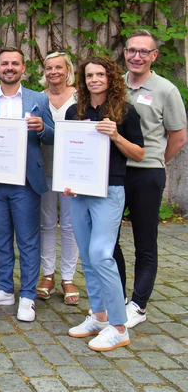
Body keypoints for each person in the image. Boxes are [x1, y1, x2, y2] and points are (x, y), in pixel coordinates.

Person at [0, 47, 54, 323]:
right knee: (0, 238)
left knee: (28, 240)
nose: (9, 67)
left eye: (15, 63)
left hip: (25, 181)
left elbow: (53, 136)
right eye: (5, 63)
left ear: (23, 68)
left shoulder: (38, 99)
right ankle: (4, 289)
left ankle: (28, 295)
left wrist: (42, 128)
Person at [64, 56, 144, 351]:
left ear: (110, 78)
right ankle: (99, 316)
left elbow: (139, 153)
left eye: (100, 74)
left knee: (101, 254)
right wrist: (67, 181)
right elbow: (68, 151)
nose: (94, 80)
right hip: (79, 192)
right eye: (89, 75)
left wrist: (116, 136)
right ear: (83, 80)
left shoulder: (126, 111)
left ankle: (119, 327)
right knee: (87, 255)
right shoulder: (75, 111)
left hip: (110, 189)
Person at [114, 29, 188, 328]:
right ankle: (117, 296)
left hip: (146, 175)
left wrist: (157, 162)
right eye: (132, 50)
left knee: (145, 241)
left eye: (144, 51)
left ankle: (138, 305)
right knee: (109, 239)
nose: (137, 56)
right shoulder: (115, 84)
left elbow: (179, 137)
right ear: (124, 53)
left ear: (154, 55)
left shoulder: (166, 90)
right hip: (115, 172)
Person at [37, 51, 80, 305]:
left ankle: (68, 277)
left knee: (70, 224)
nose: (53, 72)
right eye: (49, 68)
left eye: (58, 67)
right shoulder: (38, 98)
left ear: (68, 70)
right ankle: (48, 275)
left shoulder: (79, 97)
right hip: (44, 168)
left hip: (72, 171)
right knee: (46, 223)